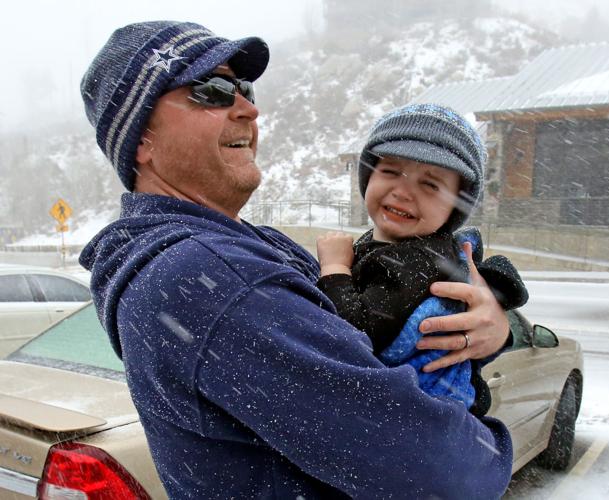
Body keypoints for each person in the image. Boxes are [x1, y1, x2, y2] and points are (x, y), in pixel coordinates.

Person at [79, 21, 514, 499]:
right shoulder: (212, 277)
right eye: (214, 89)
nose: (248, 107)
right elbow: (450, 475)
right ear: (142, 139)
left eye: (243, 87)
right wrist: (489, 443)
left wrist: (489, 324)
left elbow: (379, 334)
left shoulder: (246, 247)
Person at [316, 104, 528, 416]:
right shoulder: (399, 248)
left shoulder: (417, 261)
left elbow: (356, 337)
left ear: (456, 207)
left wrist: (334, 268)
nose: (403, 191)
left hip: (399, 424)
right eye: (390, 171)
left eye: (430, 184)